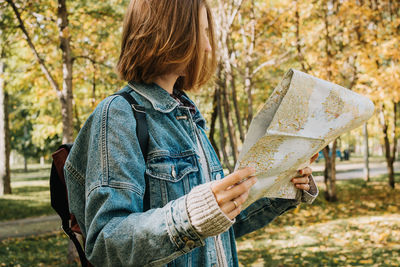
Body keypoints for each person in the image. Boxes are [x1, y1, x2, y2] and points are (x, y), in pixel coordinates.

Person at [64, 0, 319, 266]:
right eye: (203, 32)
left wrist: (283, 182)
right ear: (170, 33)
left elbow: (222, 229)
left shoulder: (189, 118)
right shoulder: (118, 113)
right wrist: (192, 215)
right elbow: (107, 241)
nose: (208, 46)